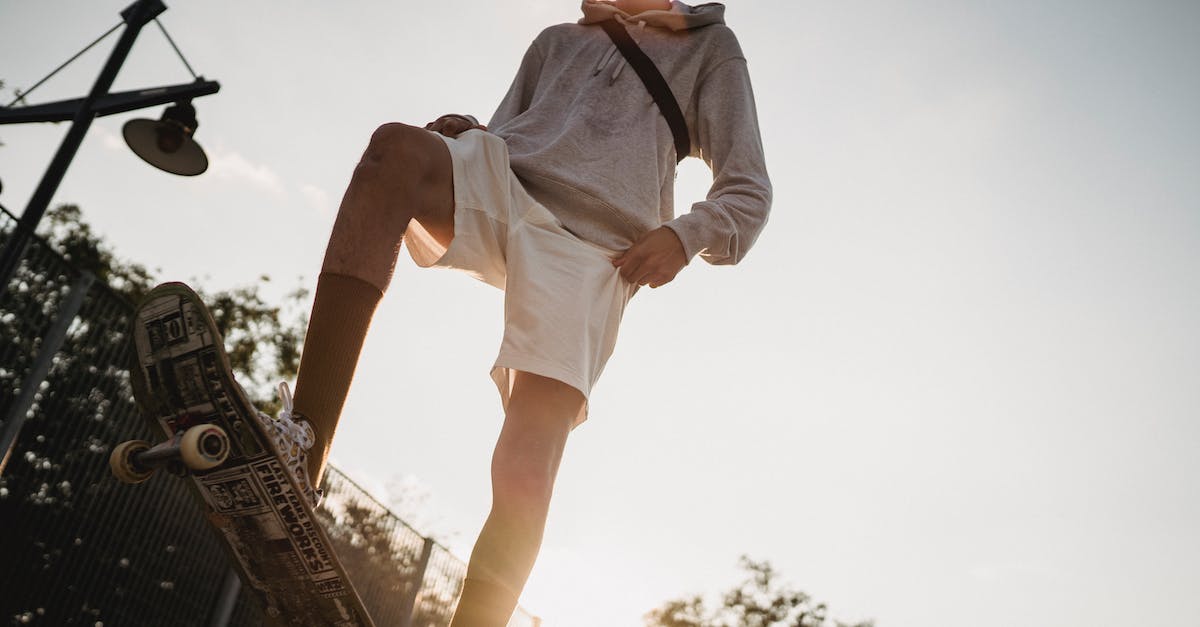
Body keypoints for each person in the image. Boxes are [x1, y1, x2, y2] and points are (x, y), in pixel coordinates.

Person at [259, 1, 771, 624]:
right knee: (396, 150)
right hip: (507, 186)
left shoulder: (710, 48)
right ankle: (302, 450)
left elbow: (748, 189)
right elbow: (507, 137)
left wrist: (687, 235)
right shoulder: (558, 39)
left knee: (527, 466)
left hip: (597, 250)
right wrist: (467, 135)